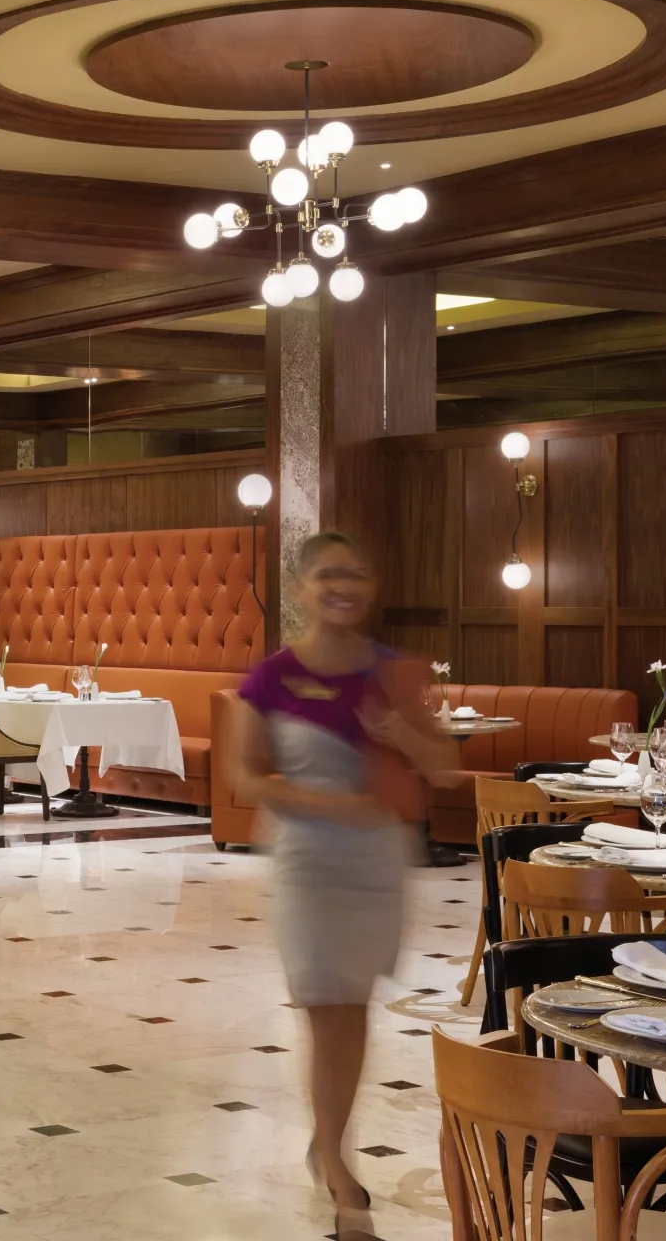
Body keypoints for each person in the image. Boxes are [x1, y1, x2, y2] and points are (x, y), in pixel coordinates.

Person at [222, 530, 458, 1240]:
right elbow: (243, 774)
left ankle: (328, 1141)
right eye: (327, 574)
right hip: (308, 863)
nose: (342, 586)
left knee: (350, 1013)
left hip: (376, 863)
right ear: (301, 587)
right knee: (324, 1009)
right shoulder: (271, 677)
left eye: (354, 574)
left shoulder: (393, 672)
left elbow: (444, 767)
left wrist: (398, 732)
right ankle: (334, 1158)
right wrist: (327, 805)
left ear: (370, 585)